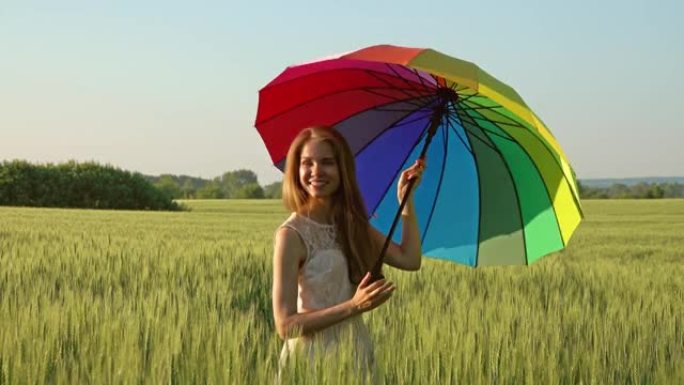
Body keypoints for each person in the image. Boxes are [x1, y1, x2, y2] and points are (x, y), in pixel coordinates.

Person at [272, 126, 424, 383]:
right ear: (296, 170)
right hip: (310, 362)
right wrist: (353, 306)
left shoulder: (353, 224)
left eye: (327, 162)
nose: (316, 171)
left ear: (343, 170)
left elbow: (409, 259)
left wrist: (406, 202)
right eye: (306, 163)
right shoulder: (291, 235)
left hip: (354, 354)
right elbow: (285, 325)